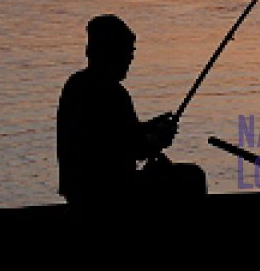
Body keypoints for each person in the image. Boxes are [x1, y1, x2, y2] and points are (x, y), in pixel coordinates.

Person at [57, 14, 205, 214]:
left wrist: (150, 127)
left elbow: (117, 135)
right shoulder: (112, 93)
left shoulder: (76, 85)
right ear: (109, 53)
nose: (130, 58)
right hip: (107, 193)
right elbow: (134, 148)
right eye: (127, 51)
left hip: (80, 192)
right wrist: (157, 140)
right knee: (193, 177)